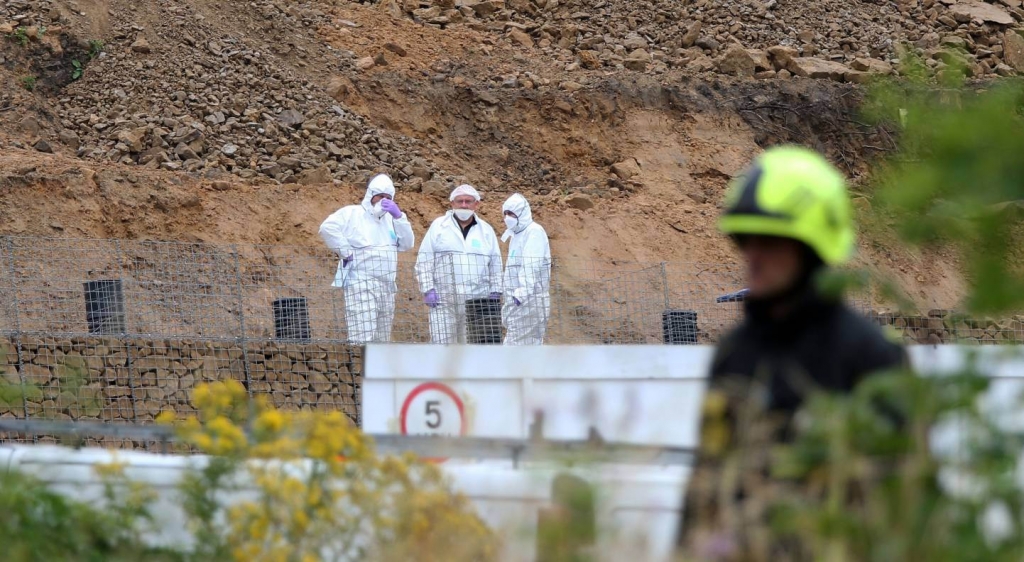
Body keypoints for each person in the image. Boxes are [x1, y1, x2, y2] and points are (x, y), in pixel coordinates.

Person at [677, 146, 907, 556]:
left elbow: (906, 503)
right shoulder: (734, 354)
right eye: (746, 239)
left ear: (811, 248)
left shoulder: (869, 355)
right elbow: (706, 491)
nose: (753, 255)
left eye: (769, 240)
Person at [318, 174, 415, 343]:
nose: (383, 201)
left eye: (388, 197)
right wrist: (346, 252)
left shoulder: (392, 219)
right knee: (361, 335)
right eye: (379, 196)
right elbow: (327, 228)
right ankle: (360, 368)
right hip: (361, 283)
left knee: (381, 339)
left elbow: (407, 244)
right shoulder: (352, 214)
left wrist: (400, 217)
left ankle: (377, 369)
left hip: (387, 286)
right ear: (370, 195)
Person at [415, 184, 502, 344]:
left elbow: (495, 264)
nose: (464, 205)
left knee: (473, 348)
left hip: (477, 302)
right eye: (459, 201)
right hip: (444, 301)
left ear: (477, 204)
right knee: (442, 346)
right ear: (452, 203)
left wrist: (496, 290)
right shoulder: (439, 227)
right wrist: (427, 288)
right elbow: (424, 259)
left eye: (468, 201)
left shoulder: (487, 231)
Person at [500, 193, 551, 345]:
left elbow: (531, 265)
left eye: (512, 213)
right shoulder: (515, 235)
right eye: (506, 214)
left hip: (529, 303)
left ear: (522, 213)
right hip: (518, 305)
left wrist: (521, 294)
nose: (508, 217)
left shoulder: (533, 232)